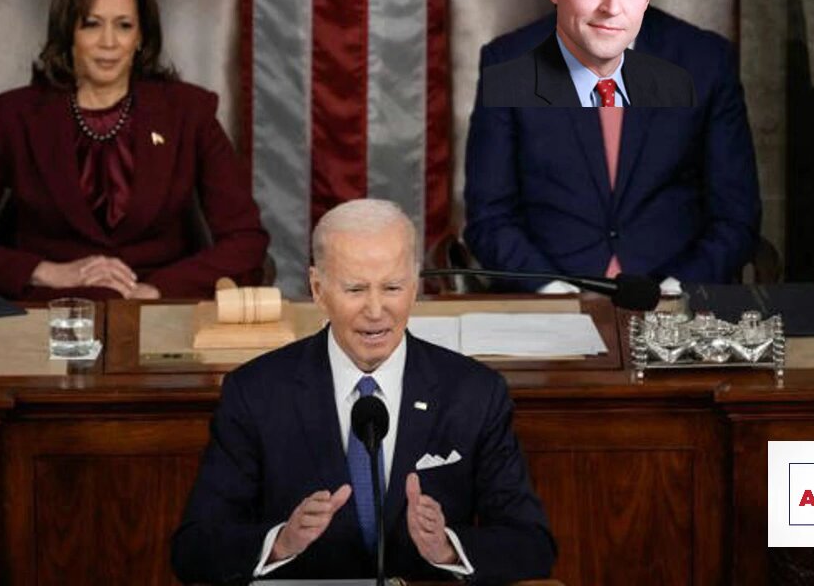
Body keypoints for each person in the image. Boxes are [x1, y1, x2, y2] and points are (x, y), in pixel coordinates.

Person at [171, 199, 555, 584]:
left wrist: (448, 547)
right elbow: (194, 549)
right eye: (355, 289)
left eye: (392, 287)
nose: (376, 310)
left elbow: (532, 544)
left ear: (415, 286)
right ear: (318, 289)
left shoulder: (473, 393)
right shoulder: (256, 393)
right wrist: (280, 542)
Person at [464, 0, 761, 289]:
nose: (611, 7)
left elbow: (736, 218)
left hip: (674, 300)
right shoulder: (506, 63)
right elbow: (490, 219)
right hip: (551, 303)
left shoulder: (705, 62)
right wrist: (551, 290)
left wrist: (678, 286)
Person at [0, 0, 269, 300]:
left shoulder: (189, 113)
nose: (109, 42)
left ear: (141, 38)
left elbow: (247, 240)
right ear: (68, 32)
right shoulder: (14, 117)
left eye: (124, 25)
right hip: (49, 312)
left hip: (158, 311)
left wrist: (155, 291)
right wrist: (45, 272)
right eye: (91, 23)